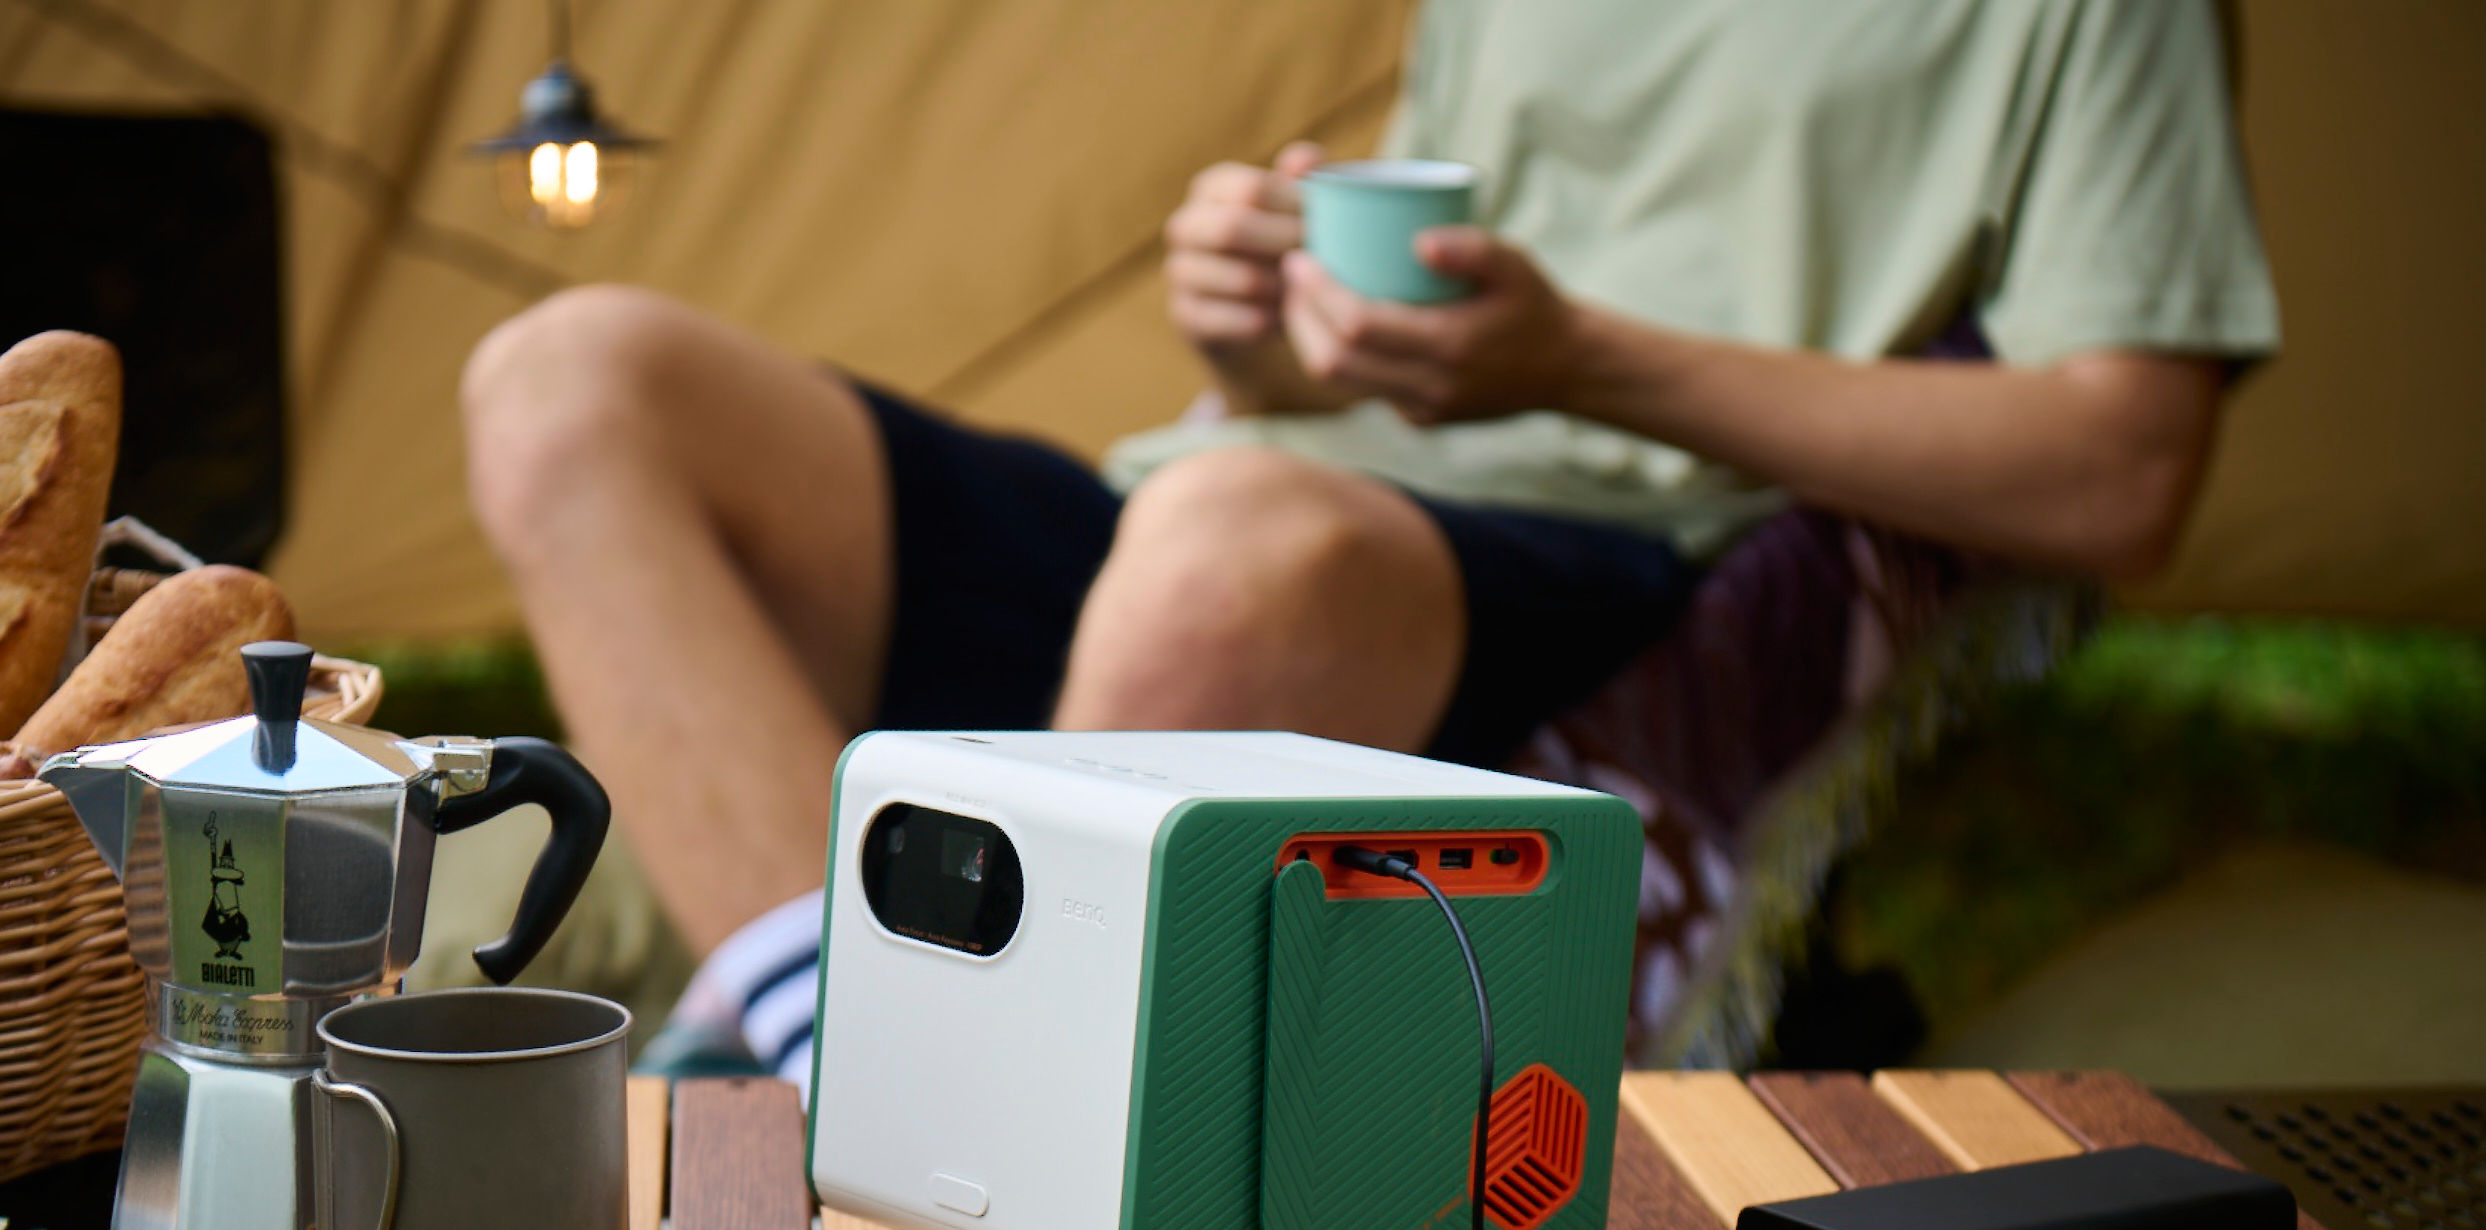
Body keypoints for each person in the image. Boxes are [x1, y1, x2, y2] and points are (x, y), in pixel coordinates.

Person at [460, 0, 2275, 1080]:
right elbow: (1392, 329)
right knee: (571, 377)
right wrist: (1262, 327)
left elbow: (2123, 467)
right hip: (1234, 501)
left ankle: (904, 1158)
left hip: (1596, 542)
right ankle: (845, 1067)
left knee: (1235, 543)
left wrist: (1581, 361)